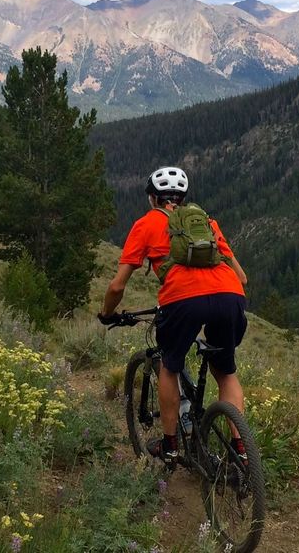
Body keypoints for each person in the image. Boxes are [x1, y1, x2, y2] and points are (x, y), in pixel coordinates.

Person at [98, 166, 249, 465]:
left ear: (153, 199)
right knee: (225, 371)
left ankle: (170, 446)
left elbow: (117, 285)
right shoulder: (206, 222)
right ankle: (242, 453)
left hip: (181, 300)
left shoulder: (146, 224)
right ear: (182, 199)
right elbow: (242, 278)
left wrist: (107, 313)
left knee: (169, 365)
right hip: (230, 295)